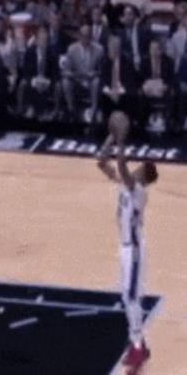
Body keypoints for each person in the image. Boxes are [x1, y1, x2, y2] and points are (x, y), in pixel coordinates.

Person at [97, 111, 157, 374]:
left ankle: (137, 346)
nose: (136, 167)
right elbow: (101, 162)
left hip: (133, 250)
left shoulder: (139, 191)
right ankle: (139, 343)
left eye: (140, 168)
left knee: (132, 298)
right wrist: (111, 137)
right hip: (123, 248)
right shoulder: (126, 184)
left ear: (144, 177)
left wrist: (122, 141)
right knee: (126, 297)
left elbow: (121, 167)